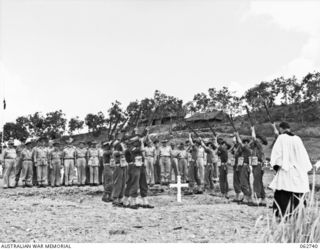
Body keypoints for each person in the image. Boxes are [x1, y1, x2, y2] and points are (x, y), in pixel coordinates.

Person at [270, 122, 312, 217]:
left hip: (286, 170)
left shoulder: (281, 138)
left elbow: (277, 154)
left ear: (281, 129)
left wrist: (276, 166)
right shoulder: (298, 139)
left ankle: (283, 214)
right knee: (297, 192)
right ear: (289, 128)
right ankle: (298, 214)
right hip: (298, 171)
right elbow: (304, 156)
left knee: (283, 192)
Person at [250, 126, 268, 206]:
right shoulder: (255, 147)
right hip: (256, 165)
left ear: (260, 140)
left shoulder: (259, 145)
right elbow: (252, 142)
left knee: (256, 182)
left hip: (258, 165)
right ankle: (263, 199)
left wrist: (253, 129)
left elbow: (253, 138)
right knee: (259, 182)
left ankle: (258, 199)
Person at [235, 132, 254, 205]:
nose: (245, 143)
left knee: (244, 183)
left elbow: (240, 143)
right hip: (244, 166)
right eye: (244, 142)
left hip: (245, 166)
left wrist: (237, 135)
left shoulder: (247, 149)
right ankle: (248, 197)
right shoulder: (245, 150)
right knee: (246, 182)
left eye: (247, 142)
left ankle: (247, 196)